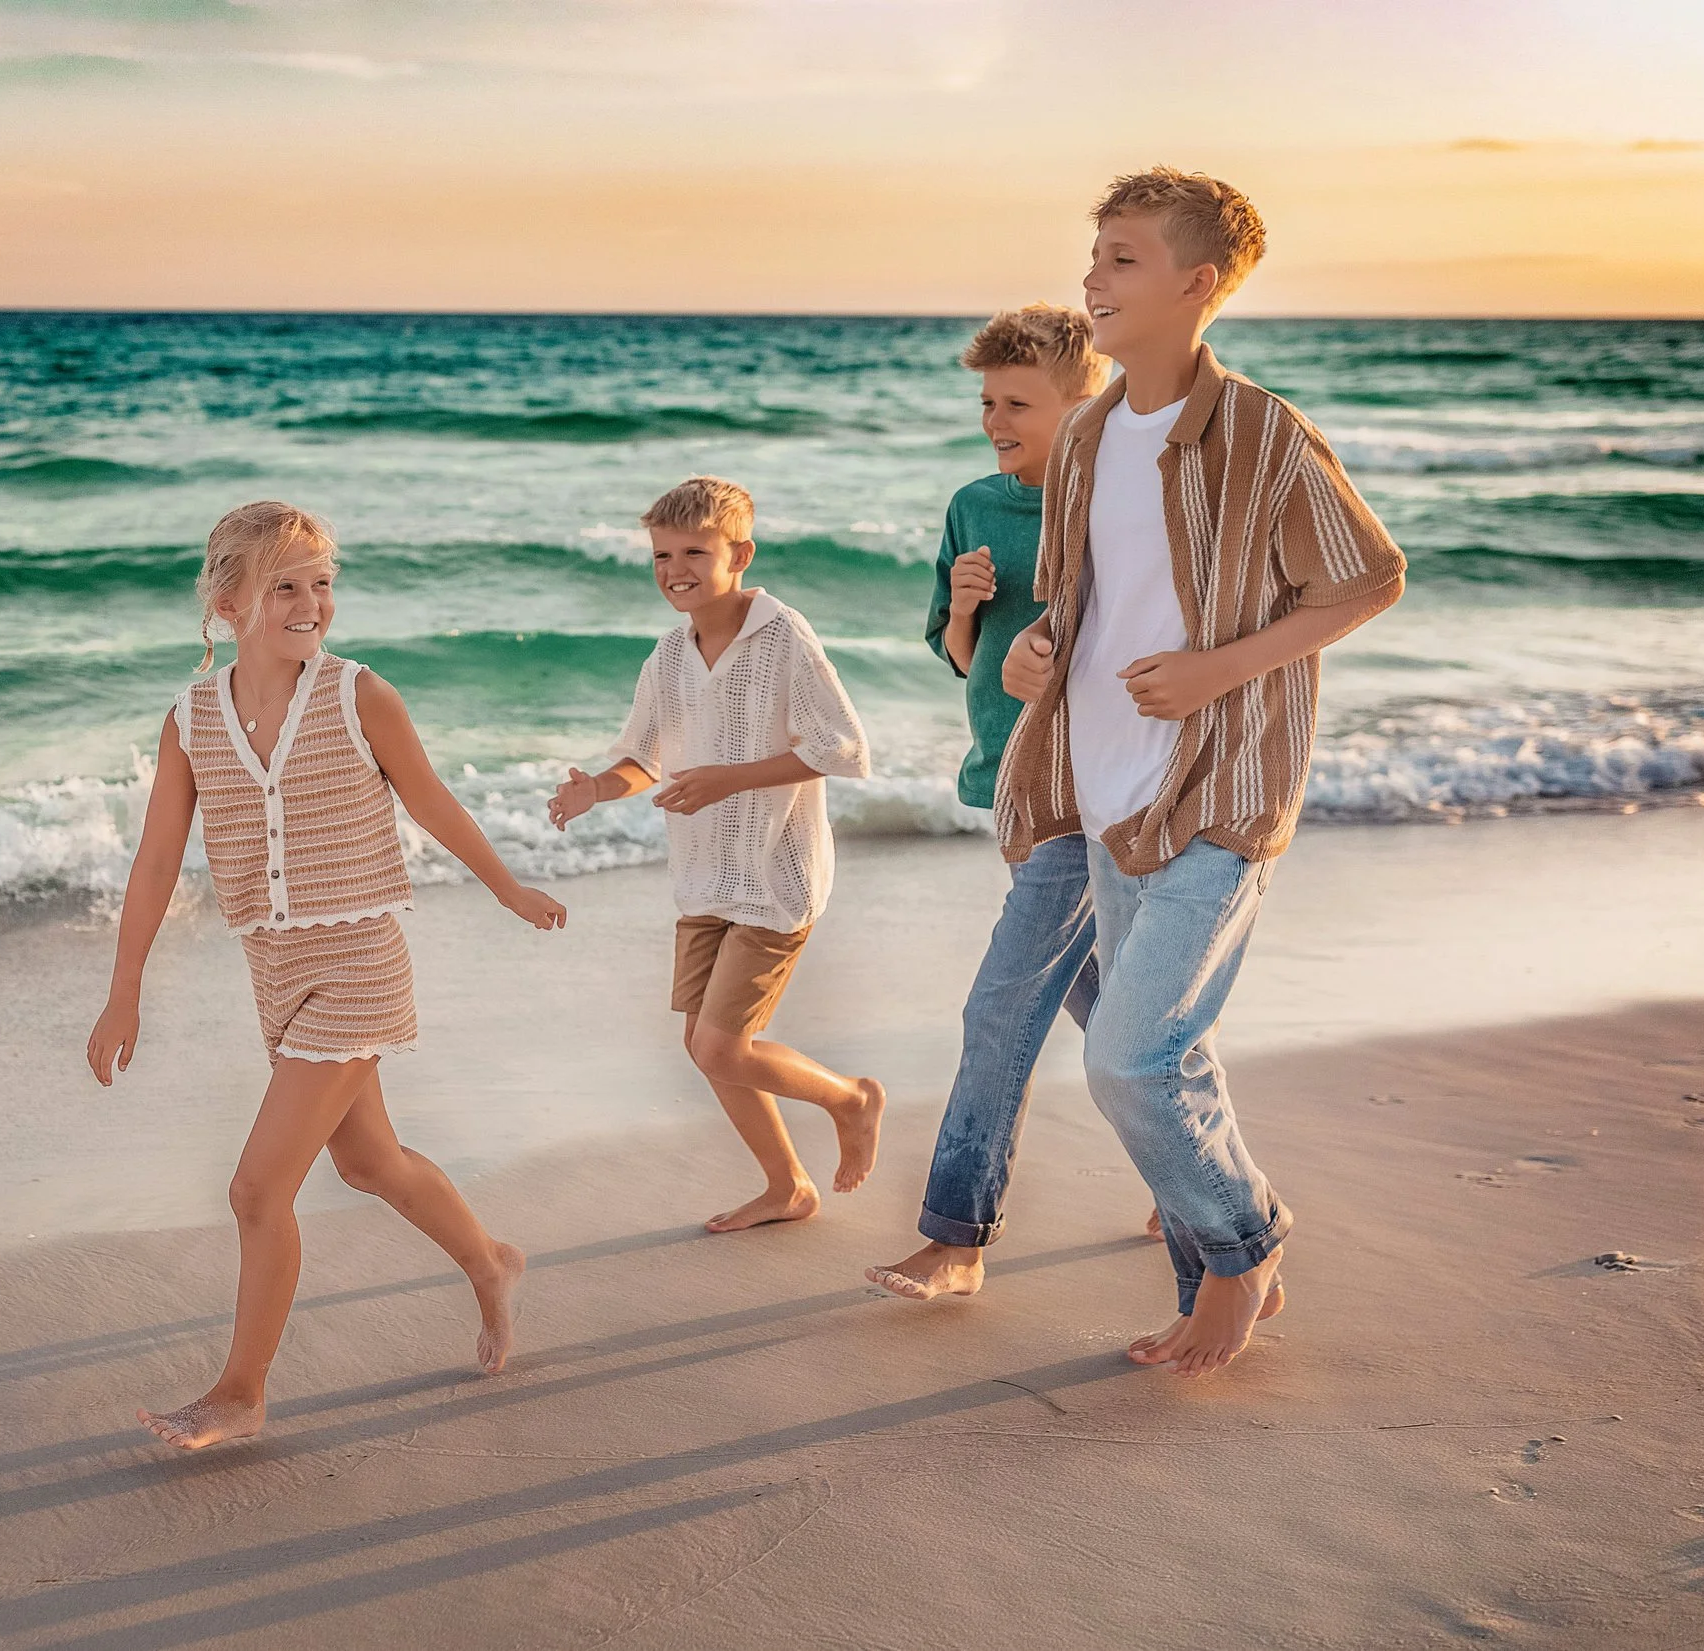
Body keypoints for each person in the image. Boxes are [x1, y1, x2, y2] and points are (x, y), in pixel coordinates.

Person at [993, 169, 1405, 1376]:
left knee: (1127, 1059)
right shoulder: (1084, 439)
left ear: (1196, 283)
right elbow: (1086, 599)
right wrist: (1032, 652)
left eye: (1121, 257)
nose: (1092, 277)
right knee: (1168, 1053)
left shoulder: (1264, 433)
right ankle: (1218, 1276)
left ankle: (1241, 1252)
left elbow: (1368, 578)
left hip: (1219, 789)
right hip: (1104, 788)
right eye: (1093, 254)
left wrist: (1219, 671)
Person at [87, 501, 566, 1449]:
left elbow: (430, 800)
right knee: (368, 1161)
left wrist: (507, 886)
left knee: (257, 1189)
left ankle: (241, 1392)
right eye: (285, 586)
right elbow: (156, 859)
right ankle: (492, 1260)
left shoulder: (359, 695)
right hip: (275, 970)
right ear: (228, 603)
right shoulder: (190, 720)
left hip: (358, 962)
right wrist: (124, 986)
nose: (311, 602)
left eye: (322, 583)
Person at [863, 304, 1124, 1306]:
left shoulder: (1114, 501)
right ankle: (1199, 1188)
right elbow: (959, 655)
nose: (994, 421)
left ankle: (957, 1237)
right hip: (1004, 777)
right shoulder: (972, 504)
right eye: (986, 402)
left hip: (1087, 786)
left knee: (1002, 1005)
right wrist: (969, 606)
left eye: (1018, 403)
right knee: (1113, 1005)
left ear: (1082, 404)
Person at [548, 475, 884, 1234]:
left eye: (694, 553)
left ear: (740, 554)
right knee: (707, 1048)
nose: (675, 570)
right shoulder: (669, 654)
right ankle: (788, 1186)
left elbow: (842, 748)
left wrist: (729, 779)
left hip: (775, 877)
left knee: (721, 1046)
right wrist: (595, 789)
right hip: (703, 879)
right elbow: (644, 757)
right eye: (662, 556)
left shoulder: (783, 637)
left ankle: (851, 1099)